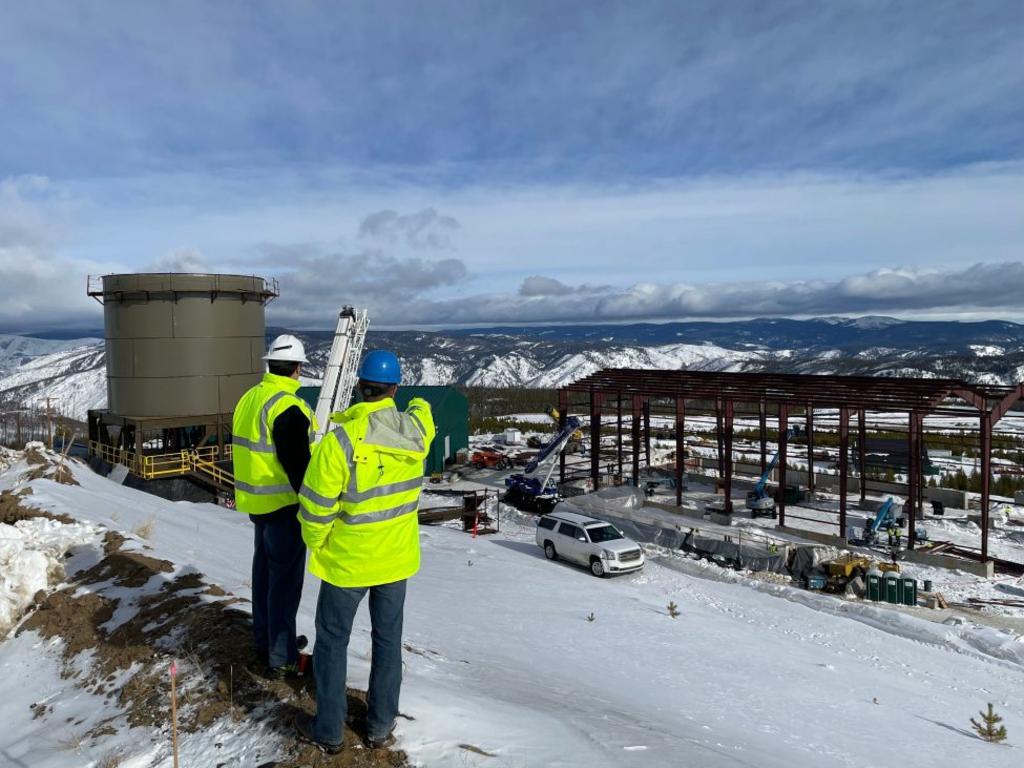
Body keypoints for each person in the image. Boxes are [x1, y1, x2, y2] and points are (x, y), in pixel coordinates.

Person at [294, 350, 435, 754]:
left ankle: (329, 732)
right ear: (394, 389)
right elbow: (424, 413)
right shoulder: (415, 434)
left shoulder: (339, 442)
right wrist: (418, 402)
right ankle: (379, 727)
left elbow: (315, 508)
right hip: (395, 561)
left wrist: (318, 544)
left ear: (359, 386)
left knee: (333, 642)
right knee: (388, 641)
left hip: (347, 564)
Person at [231, 333, 318, 678]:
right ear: (297, 369)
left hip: (257, 504)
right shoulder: (288, 408)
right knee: (284, 583)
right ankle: (280, 657)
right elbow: (299, 466)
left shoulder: (250, 398)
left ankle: (265, 640)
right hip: (284, 507)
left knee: (264, 575)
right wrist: (314, 505)